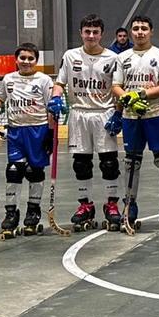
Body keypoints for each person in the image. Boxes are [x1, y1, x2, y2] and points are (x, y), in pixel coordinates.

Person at [52, 14, 122, 230]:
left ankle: (111, 204)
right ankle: (86, 205)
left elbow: (117, 89)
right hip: (79, 113)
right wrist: (55, 98)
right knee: (81, 164)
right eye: (87, 32)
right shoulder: (71, 56)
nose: (91, 36)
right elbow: (60, 83)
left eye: (95, 32)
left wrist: (118, 114)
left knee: (109, 163)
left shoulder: (112, 58)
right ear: (81, 33)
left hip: (104, 113)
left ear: (102, 34)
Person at [112, 15, 159, 227]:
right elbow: (116, 86)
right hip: (131, 117)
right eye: (136, 28)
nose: (140, 32)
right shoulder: (122, 57)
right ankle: (130, 205)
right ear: (131, 32)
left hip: (155, 114)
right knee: (131, 162)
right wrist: (126, 99)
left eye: (144, 28)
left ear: (151, 31)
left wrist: (140, 95)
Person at [0, 42, 54, 237]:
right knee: (14, 171)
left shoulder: (43, 80)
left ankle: (33, 211)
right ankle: (11, 213)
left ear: (36, 61)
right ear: (16, 59)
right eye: (22, 58)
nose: (26, 62)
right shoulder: (9, 78)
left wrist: (50, 134)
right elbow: (0, 97)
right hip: (16, 131)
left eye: (30, 58)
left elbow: (51, 107)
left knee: (34, 171)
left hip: (38, 130)